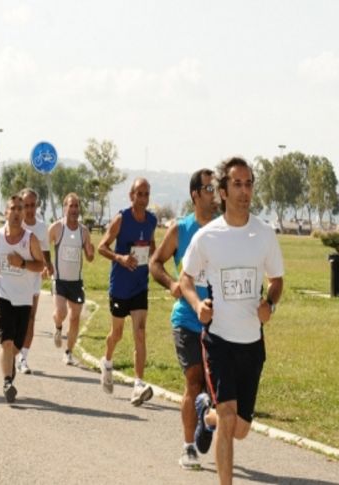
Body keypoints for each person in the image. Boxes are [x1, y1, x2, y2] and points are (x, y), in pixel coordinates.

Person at [180, 157, 284, 485]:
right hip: (219, 339)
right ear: (223, 192)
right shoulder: (208, 237)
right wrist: (198, 305)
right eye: (237, 184)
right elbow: (185, 279)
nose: (244, 190)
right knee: (228, 417)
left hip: (252, 342)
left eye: (249, 183)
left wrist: (269, 302)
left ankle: (204, 414)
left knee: (240, 428)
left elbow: (277, 279)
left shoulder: (264, 234)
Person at [150, 168, 218, 469]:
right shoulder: (180, 229)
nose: (213, 193)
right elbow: (155, 263)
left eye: (215, 188)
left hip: (219, 322)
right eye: (208, 188)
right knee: (193, 380)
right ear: (195, 194)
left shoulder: (223, 229)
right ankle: (189, 446)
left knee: (214, 388)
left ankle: (206, 417)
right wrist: (172, 284)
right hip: (187, 320)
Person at [97, 177, 158, 406]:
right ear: (131, 196)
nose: (143, 198)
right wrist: (120, 258)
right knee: (117, 334)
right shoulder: (121, 219)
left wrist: (155, 257)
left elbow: (151, 244)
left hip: (140, 285)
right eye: (139, 194)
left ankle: (138, 385)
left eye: (146, 194)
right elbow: (102, 247)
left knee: (140, 333)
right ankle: (107, 361)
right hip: (120, 286)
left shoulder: (151, 220)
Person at [0, 195, 45, 403]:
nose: (17, 212)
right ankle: (8, 382)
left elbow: (40, 265)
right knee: (6, 342)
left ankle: (9, 365)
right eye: (13, 209)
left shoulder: (30, 239)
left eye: (20, 209)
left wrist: (23, 264)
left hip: (24, 299)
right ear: (6, 212)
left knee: (16, 346)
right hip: (2, 294)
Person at [48, 192, 95, 365]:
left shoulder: (84, 231)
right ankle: (58, 327)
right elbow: (44, 247)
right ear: (64, 207)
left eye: (76, 206)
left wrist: (91, 253)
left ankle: (68, 352)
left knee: (75, 317)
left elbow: (89, 257)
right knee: (61, 312)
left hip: (76, 282)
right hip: (59, 280)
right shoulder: (56, 228)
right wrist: (46, 265)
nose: (74, 209)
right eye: (71, 205)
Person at [15, 188, 52, 375]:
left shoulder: (41, 227)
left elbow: (45, 252)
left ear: (37, 205)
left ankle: (23, 357)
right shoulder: (15, 224)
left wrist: (48, 266)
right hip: (14, 280)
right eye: (26, 205)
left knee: (30, 317)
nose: (29, 209)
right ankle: (12, 349)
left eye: (32, 205)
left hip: (33, 280)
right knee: (15, 319)